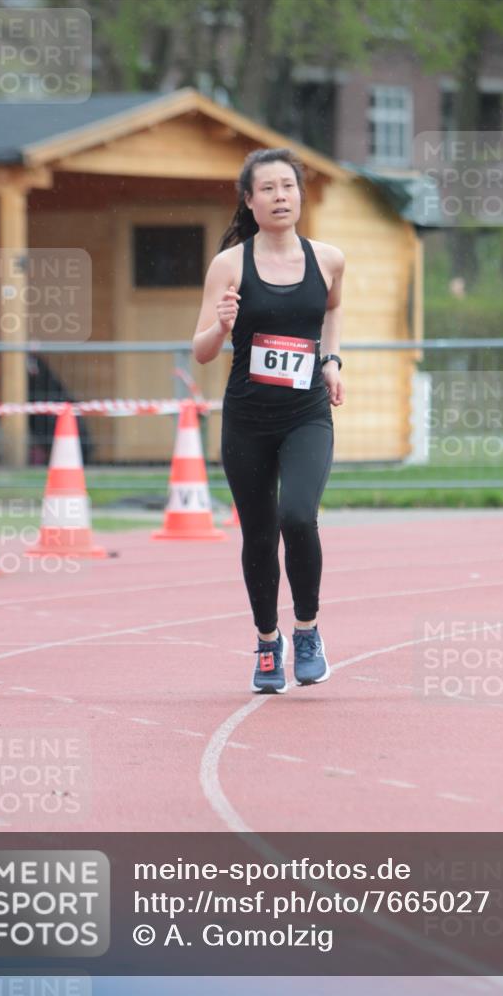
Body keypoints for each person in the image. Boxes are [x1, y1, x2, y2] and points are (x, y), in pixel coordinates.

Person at [192, 147, 345, 694]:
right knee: (258, 535)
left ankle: (306, 631)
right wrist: (220, 325)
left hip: (306, 414)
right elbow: (202, 351)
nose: (281, 197)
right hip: (248, 419)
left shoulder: (328, 259)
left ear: (300, 195)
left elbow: (330, 312)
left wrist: (330, 361)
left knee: (299, 516)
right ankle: (266, 642)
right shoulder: (230, 264)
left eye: (289, 186)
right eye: (269, 189)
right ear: (250, 201)